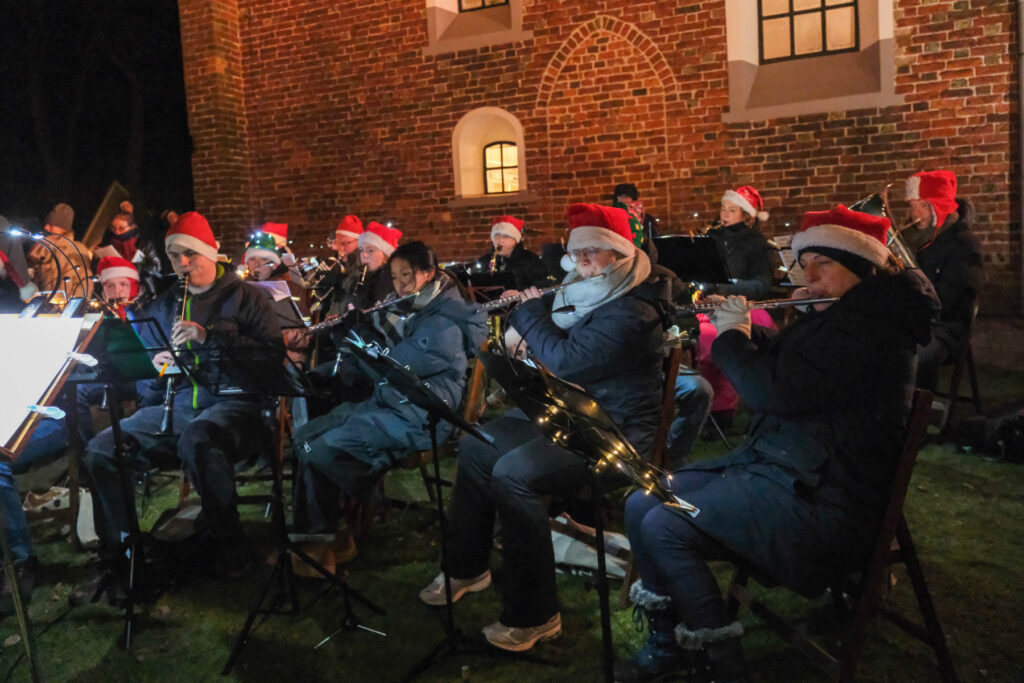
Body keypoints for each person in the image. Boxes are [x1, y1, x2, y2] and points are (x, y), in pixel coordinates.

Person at [615, 205, 939, 682]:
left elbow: (772, 392)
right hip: (785, 470)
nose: (808, 276)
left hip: (824, 498)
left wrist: (731, 337)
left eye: (823, 264)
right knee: (643, 499)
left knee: (666, 524)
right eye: (803, 264)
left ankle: (719, 661)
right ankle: (668, 643)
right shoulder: (847, 316)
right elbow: (798, 371)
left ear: (863, 268)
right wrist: (786, 322)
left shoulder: (872, 328)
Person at [418, 203, 669, 652]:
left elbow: (567, 360)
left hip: (615, 432)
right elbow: (553, 350)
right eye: (578, 252)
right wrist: (532, 318)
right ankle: (467, 567)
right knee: (478, 445)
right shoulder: (582, 292)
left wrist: (530, 313)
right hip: (569, 410)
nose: (582, 261)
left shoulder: (632, 309)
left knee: (514, 474)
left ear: (619, 254)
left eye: (593, 252)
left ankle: (535, 614)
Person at [79, 211, 283, 591]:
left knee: (199, 439)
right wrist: (156, 369)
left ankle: (230, 545)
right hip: (177, 408)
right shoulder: (165, 303)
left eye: (191, 254)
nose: (183, 263)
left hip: (236, 405)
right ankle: (124, 552)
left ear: (211, 253)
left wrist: (210, 337)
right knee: (102, 450)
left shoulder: (248, 297)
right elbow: (146, 380)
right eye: (175, 256)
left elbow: (270, 361)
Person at [291, 241, 486, 571]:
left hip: (422, 416)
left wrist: (359, 333)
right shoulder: (414, 308)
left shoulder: (444, 321)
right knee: (304, 438)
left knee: (319, 450)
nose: (400, 285)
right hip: (389, 404)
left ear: (429, 274)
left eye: (406, 275)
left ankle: (327, 539)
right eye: (395, 277)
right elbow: (380, 364)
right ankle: (336, 533)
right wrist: (342, 348)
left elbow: (394, 368)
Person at [902, 170, 983, 392]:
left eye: (924, 205)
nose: (916, 213)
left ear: (939, 207)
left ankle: (919, 408)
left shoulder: (964, 243)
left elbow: (950, 299)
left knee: (919, 354)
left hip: (945, 326)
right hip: (913, 319)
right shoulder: (913, 239)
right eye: (913, 205)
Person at [242, 230, 311, 369]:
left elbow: (306, 336)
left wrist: (275, 336)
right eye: (252, 259)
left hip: (287, 356)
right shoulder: (241, 289)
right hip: (251, 355)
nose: (257, 264)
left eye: (263, 259)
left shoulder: (293, 290)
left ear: (274, 264)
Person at [92, 207, 165, 304]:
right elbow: (96, 268)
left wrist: (135, 267)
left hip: (141, 292)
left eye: (121, 228)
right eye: (113, 228)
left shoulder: (144, 244)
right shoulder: (107, 243)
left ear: (132, 226)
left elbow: (156, 267)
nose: (117, 231)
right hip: (113, 291)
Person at [26, 202, 93, 301]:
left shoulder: (77, 249)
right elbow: (30, 278)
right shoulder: (41, 248)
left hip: (68, 304)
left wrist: (75, 304)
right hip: (44, 304)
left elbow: (85, 281)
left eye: (51, 225)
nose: (46, 228)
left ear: (62, 227)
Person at [471, 216, 554, 289]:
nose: (500, 240)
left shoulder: (531, 260)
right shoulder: (485, 261)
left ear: (516, 239)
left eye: (506, 236)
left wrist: (520, 293)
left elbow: (543, 286)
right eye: (497, 235)